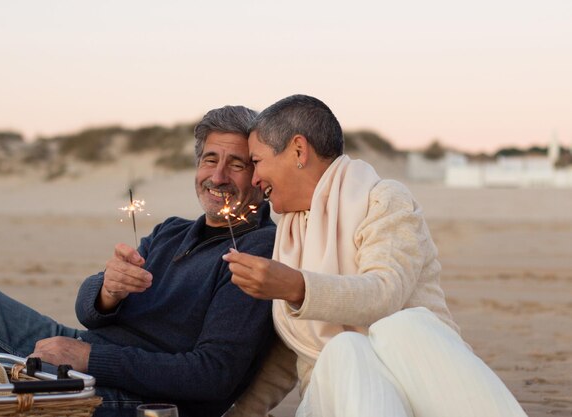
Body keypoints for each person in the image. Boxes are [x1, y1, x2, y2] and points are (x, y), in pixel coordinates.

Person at [0, 105, 276, 417]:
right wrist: (107, 292)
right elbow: (86, 313)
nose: (217, 177)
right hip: (78, 350)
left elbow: (212, 374)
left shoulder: (256, 250)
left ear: (259, 174)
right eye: (209, 159)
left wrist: (88, 358)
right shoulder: (171, 232)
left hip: (134, 394)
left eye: (237, 165)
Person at [223, 95, 528, 417]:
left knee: (397, 328)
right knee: (343, 349)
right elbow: (294, 346)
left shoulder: (382, 201)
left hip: (416, 383)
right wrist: (243, 413)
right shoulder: (290, 232)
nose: (254, 179)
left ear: (299, 150)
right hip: (335, 398)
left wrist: (297, 287)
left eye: (256, 161)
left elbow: (385, 292)